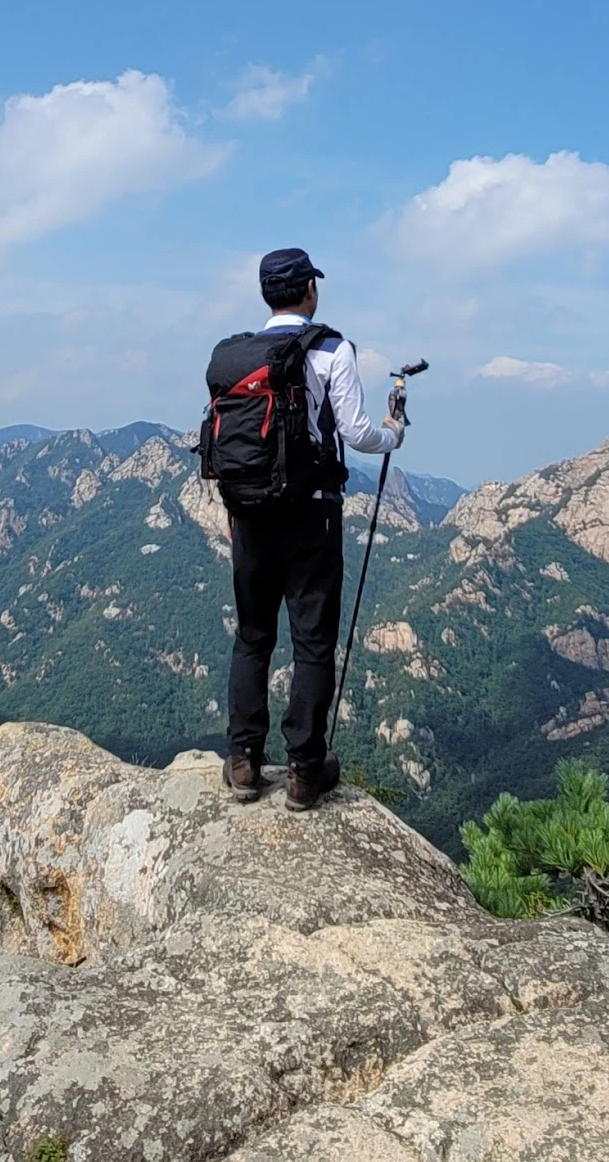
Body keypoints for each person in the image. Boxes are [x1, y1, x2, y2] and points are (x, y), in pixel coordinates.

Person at [211, 247, 405, 811]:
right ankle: (303, 771)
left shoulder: (235, 357)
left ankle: (243, 763)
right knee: (312, 643)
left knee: (253, 637)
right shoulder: (331, 349)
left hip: (249, 517)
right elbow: (358, 433)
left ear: (266, 293)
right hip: (311, 517)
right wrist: (394, 432)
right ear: (309, 290)